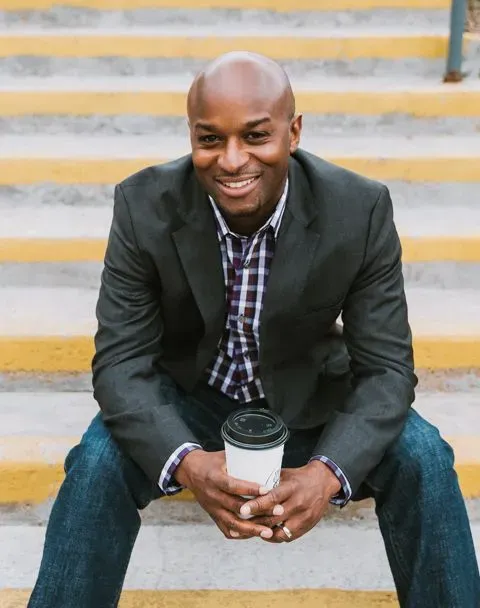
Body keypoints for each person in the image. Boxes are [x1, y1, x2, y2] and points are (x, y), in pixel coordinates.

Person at [28, 52, 479, 608]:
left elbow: (386, 370)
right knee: (97, 461)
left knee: (424, 455)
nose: (232, 159)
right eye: (210, 139)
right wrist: (189, 464)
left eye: (256, 136)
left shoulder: (358, 209)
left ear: (293, 132)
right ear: (191, 136)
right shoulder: (143, 205)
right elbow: (121, 364)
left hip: (310, 399)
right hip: (192, 396)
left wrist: (326, 474)